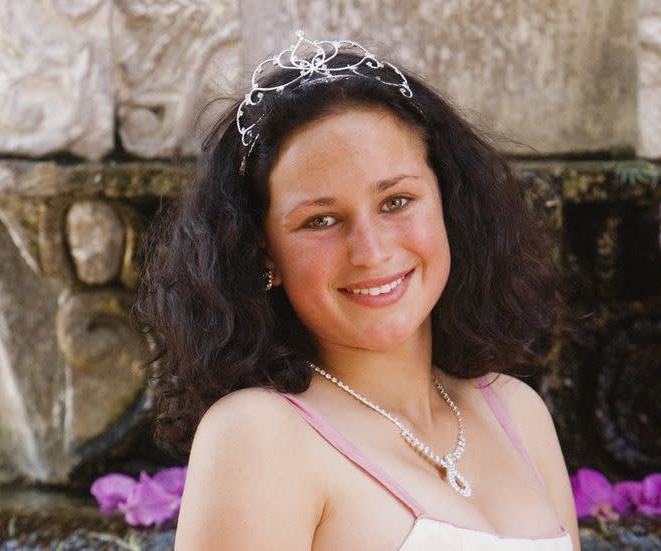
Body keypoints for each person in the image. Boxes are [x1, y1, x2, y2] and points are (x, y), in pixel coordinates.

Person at [136, 32, 580, 551]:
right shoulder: (258, 434)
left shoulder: (515, 410)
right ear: (265, 255)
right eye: (320, 219)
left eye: (396, 202)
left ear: (450, 207)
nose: (370, 251)